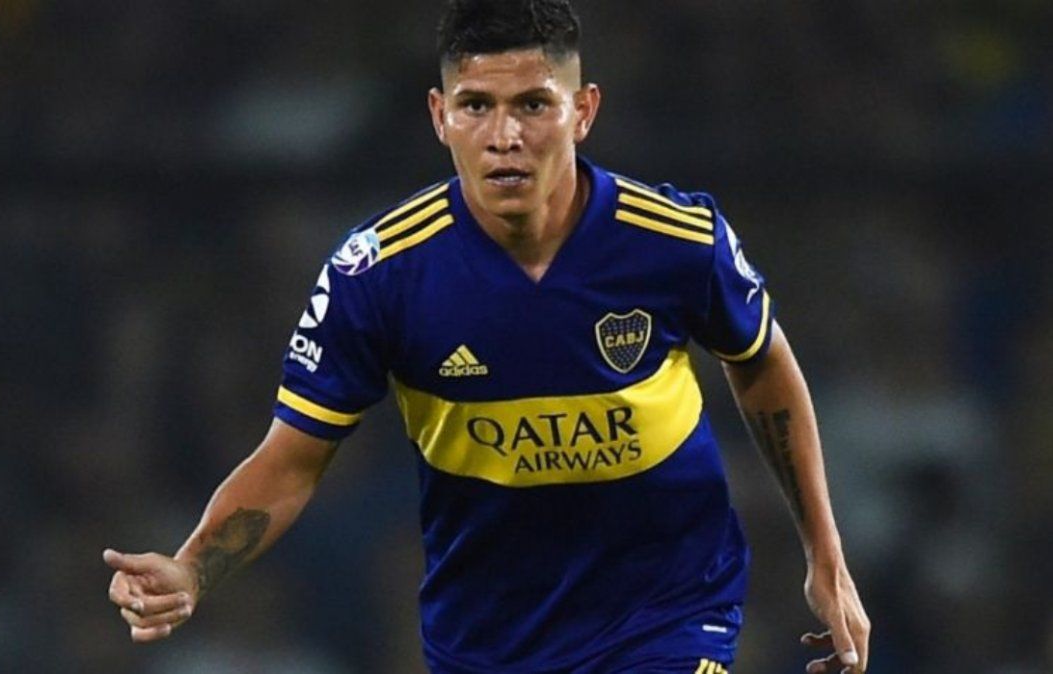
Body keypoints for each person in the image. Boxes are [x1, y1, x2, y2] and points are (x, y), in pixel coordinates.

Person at [103, 1, 870, 672]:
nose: (504, 135)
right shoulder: (378, 273)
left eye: (533, 105)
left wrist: (824, 557)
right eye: (476, 106)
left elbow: (761, 365)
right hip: (488, 636)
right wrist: (194, 567)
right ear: (439, 116)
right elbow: (292, 459)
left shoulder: (675, 241)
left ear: (583, 111)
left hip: (665, 610)